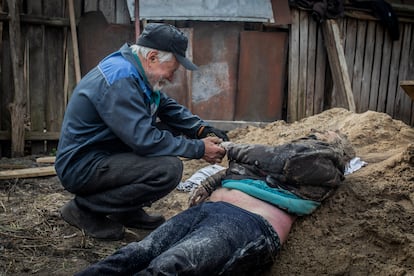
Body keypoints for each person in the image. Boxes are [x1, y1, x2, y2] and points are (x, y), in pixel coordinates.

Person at [76, 130, 356, 275]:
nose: (317, 133)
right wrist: (212, 183)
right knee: (134, 253)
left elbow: (281, 158)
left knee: (169, 267)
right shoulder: (291, 160)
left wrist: (230, 148)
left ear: (338, 147)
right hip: (210, 212)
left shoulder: (324, 161)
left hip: (248, 223)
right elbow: (255, 168)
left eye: (326, 134)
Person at [55, 23, 229, 241]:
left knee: (164, 131)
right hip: (82, 165)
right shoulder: (121, 79)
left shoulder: (134, 71)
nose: (173, 78)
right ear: (153, 57)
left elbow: (166, 107)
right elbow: (144, 140)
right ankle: (84, 210)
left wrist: (200, 129)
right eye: (173, 70)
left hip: (104, 153)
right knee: (167, 169)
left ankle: (125, 210)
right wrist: (198, 148)